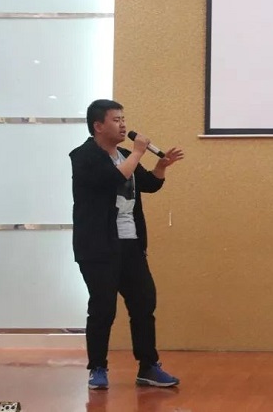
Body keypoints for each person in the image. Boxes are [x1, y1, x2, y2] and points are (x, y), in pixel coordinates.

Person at [70, 99, 185, 390]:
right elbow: (112, 179)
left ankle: (148, 366)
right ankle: (97, 368)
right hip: (98, 246)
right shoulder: (83, 156)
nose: (123, 125)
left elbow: (149, 184)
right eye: (116, 120)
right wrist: (137, 152)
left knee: (144, 302)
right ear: (98, 126)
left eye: (123, 119)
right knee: (103, 308)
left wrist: (161, 166)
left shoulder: (123, 154)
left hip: (130, 243)